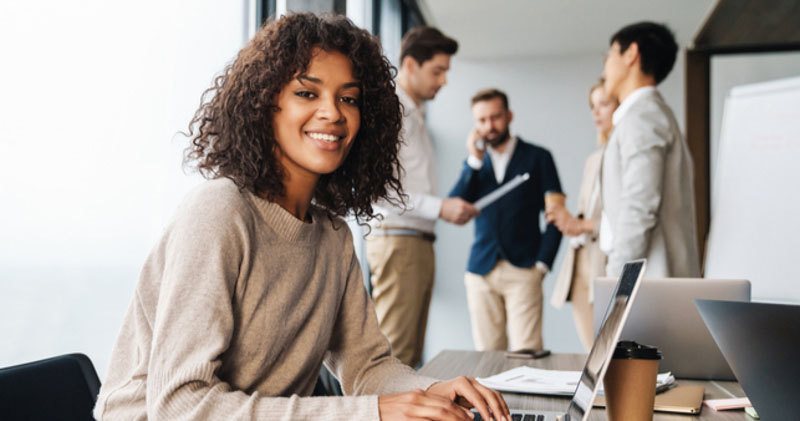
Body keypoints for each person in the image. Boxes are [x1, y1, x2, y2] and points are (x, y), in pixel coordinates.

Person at [93, 14, 510, 421]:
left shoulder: (333, 236)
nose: (333, 113)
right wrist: (373, 413)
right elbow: (181, 406)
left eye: (348, 98)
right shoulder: (219, 211)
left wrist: (430, 392)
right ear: (264, 104)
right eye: (307, 93)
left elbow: (368, 367)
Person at [366, 26, 478, 368]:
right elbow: (379, 190)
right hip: (400, 240)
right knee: (395, 357)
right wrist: (440, 207)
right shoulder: (393, 112)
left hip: (414, 241)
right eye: (437, 71)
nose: (443, 81)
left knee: (409, 357)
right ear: (411, 66)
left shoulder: (414, 113)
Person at [449, 88, 563, 352]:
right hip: (481, 270)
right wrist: (473, 162)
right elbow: (454, 207)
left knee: (527, 353)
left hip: (524, 269)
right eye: (481, 120)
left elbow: (557, 214)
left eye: (496, 117)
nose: (490, 126)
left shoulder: (538, 157)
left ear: (509, 116)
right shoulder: (475, 164)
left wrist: (543, 264)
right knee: (487, 355)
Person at [599, 21, 701, 278]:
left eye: (610, 54)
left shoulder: (643, 116)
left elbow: (640, 204)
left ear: (631, 53)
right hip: (652, 279)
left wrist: (615, 277)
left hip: (649, 281)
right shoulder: (648, 114)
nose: (605, 67)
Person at [548, 80, 618, 351]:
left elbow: (627, 220)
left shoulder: (625, 157)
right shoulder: (594, 159)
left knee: (610, 353)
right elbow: (584, 213)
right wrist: (566, 220)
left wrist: (583, 224)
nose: (596, 113)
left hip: (606, 262)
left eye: (604, 104)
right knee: (592, 353)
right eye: (592, 106)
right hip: (579, 265)